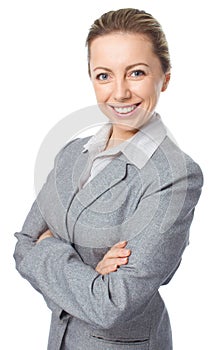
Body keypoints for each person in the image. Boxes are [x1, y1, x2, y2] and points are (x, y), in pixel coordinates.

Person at [13, 8, 203, 350]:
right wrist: (90, 275)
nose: (119, 93)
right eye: (104, 75)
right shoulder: (71, 153)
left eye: (136, 73)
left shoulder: (175, 175)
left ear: (166, 78)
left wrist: (50, 249)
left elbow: (113, 305)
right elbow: (23, 246)